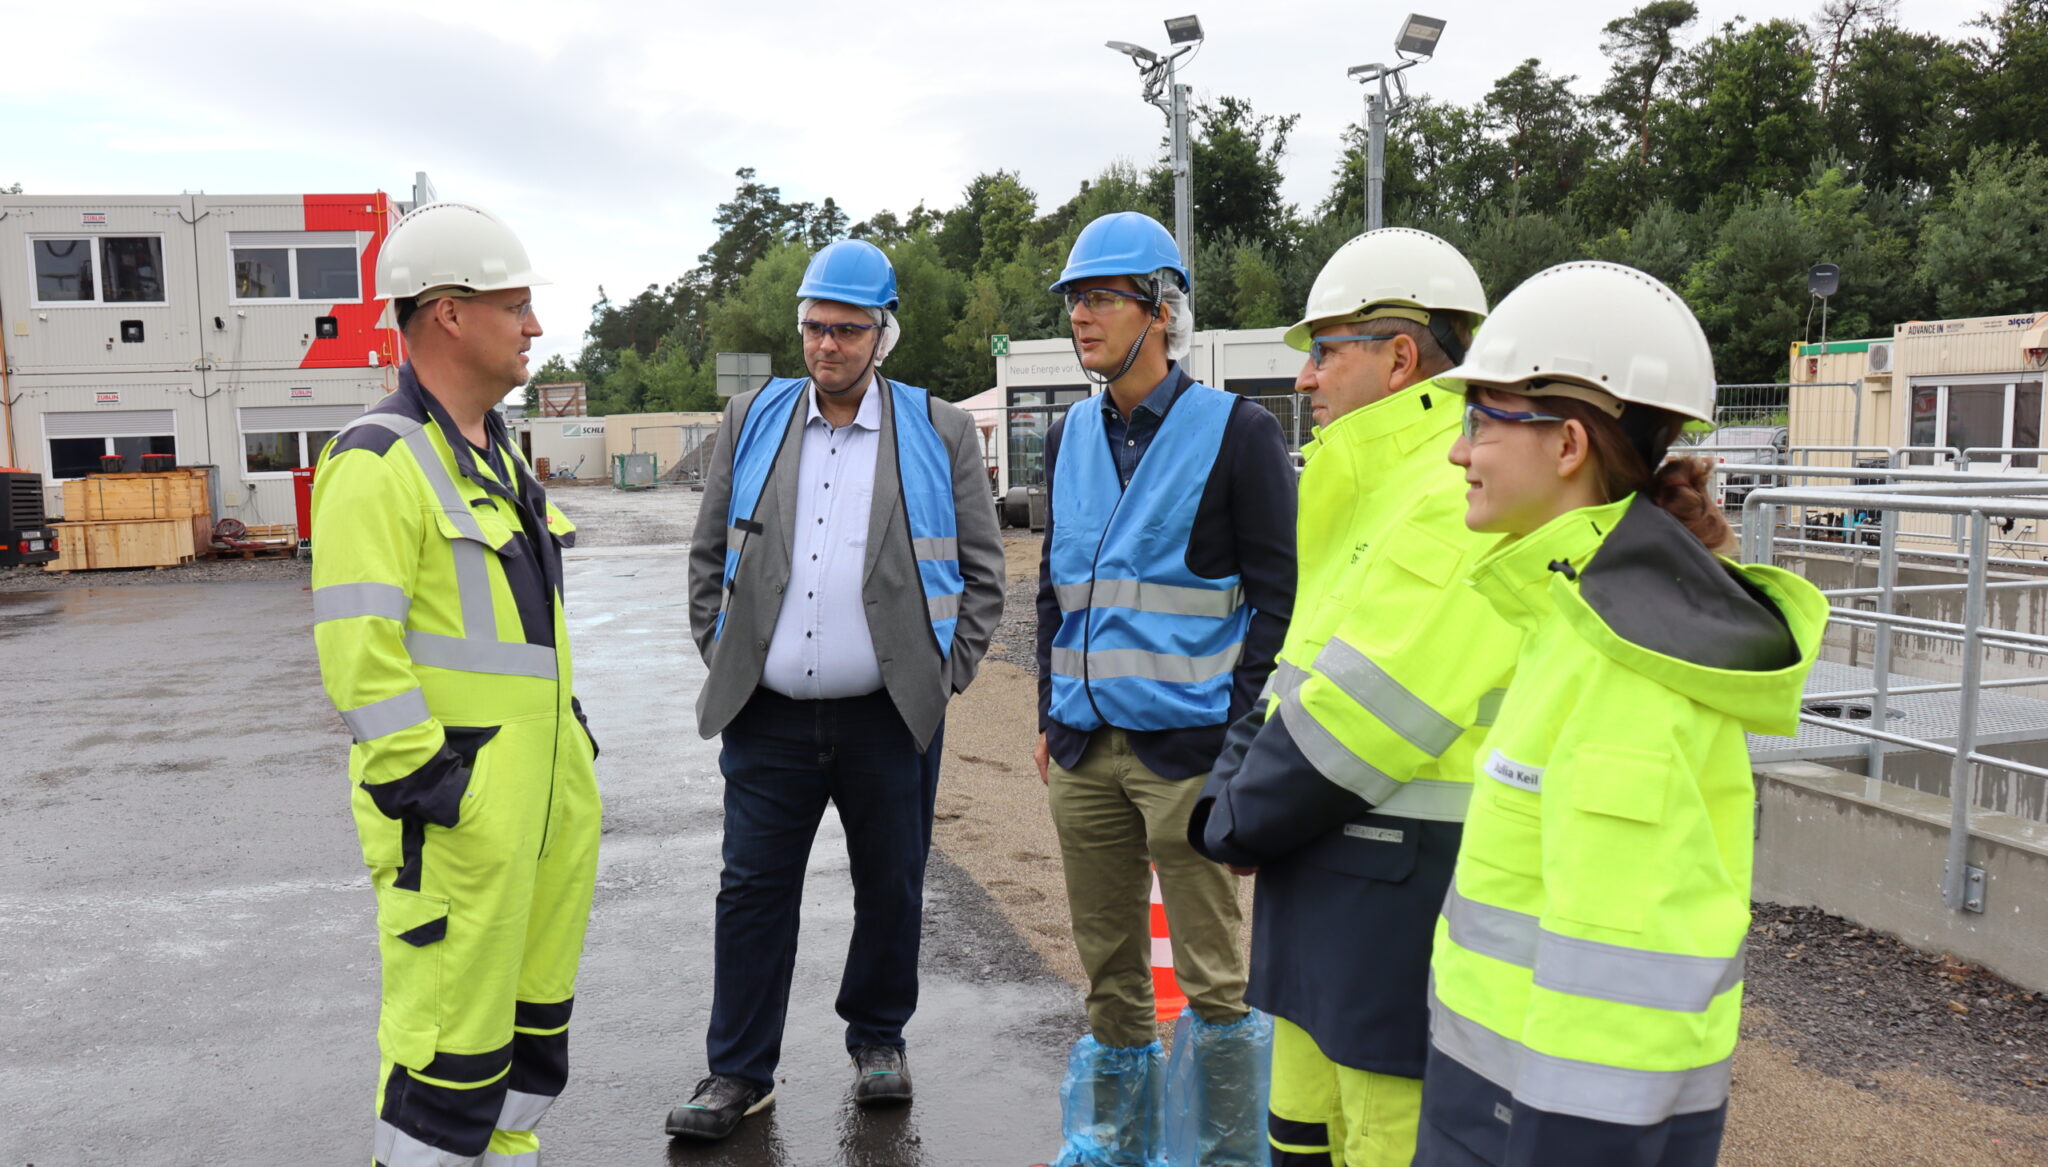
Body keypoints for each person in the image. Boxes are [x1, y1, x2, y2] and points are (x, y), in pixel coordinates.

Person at [1415, 262, 1827, 1167]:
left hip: (1543, 1132)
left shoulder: (1624, 658)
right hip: (1495, 1109)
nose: (1458, 451)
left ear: (1567, 446)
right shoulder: (1578, 618)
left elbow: (1611, 1020)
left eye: (1481, 418)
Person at [1188, 228, 1520, 1167]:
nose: (1304, 379)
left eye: (1324, 350)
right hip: (1328, 904)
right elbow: (1294, 674)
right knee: (1299, 1139)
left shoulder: (1452, 495)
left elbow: (1363, 721)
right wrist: (1233, 790)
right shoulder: (1365, 489)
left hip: (1396, 916)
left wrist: (1232, 818)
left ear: (1400, 356)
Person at [671, 238, 1005, 1141]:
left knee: (891, 885)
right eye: (816, 327)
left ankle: (879, 1040)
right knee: (751, 892)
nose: (827, 346)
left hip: (889, 716)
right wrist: (725, 650)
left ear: (882, 335)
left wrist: (946, 677)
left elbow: (983, 571)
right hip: (769, 717)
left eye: (847, 330)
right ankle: (739, 1070)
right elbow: (709, 555)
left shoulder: (937, 430)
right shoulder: (755, 417)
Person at [311, 201, 600, 1167]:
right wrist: (432, 785)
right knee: (440, 1070)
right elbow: (359, 651)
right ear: (447, 313)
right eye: (515, 304)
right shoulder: (378, 459)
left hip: (540, 816)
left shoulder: (498, 451)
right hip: (459, 824)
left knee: (520, 1056)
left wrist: (572, 747)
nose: (533, 325)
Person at [1034, 211, 1296, 1166]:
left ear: (1163, 310)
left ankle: (1227, 1152)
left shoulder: (1239, 433)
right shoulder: (1071, 434)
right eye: (1074, 300)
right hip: (1084, 750)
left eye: (1101, 298)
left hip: (1188, 754)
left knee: (1215, 979)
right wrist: (1045, 717)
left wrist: (1241, 741)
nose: (1082, 317)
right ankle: (1114, 1144)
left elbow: (1278, 602)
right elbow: (1052, 590)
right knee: (1110, 973)